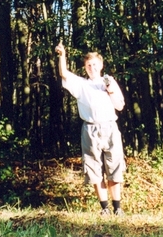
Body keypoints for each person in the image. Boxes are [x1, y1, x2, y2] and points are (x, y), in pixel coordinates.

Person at [55, 42, 127, 216]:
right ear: (85, 68)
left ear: (101, 66)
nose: (92, 68)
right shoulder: (81, 84)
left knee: (114, 168)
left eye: (95, 64)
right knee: (94, 169)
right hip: (90, 129)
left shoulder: (109, 81)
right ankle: (105, 209)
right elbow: (63, 73)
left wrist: (110, 90)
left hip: (110, 127)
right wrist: (62, 55)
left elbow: (120, 106)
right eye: (88, 65)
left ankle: (118, 208)